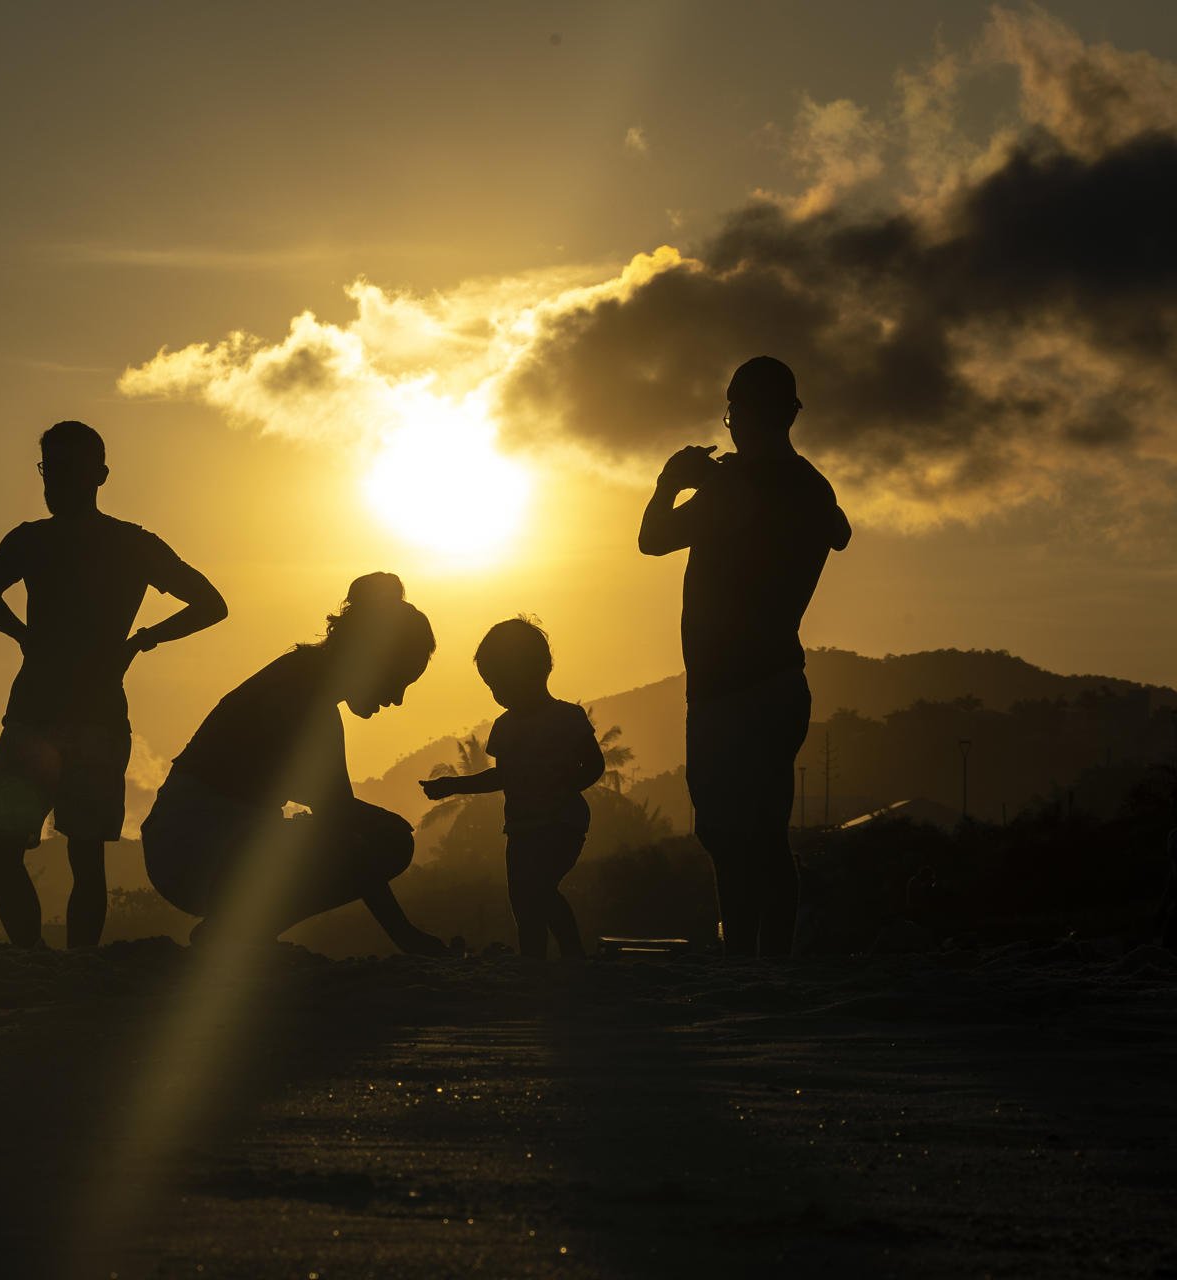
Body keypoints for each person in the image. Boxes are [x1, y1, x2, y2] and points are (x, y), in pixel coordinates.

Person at [0, 421, 227, 948]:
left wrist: (141, 640)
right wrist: (135, 641)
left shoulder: (70, 542)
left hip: (60, 716)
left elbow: (212, 604)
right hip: (68, 716)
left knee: (49, 850)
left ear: (99, 475)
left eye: (66, 470)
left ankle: (51, 965)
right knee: (54, 850)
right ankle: (47, 963)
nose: (55, 481)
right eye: (49, 469)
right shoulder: (90, 543)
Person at [638, 356, 851, 957]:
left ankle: (744, 963)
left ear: (738, 414)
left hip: (728, 687)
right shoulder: (810, 485)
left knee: (726, 833)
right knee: (765, 833)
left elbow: (651, 540)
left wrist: (670, 482)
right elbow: (839, 531)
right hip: (782, 678)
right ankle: (770, 961)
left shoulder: (732, 487)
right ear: (790, 414)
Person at [143, 573, 454, 955]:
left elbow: (335, 817)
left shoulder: (305, 680)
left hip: (204, 843)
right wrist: (405, 935)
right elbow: (342, 826)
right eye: (398, 681)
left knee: (376, 834)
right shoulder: (304, 700)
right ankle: (234, 932)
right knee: (389, 842)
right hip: (195, 849)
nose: (396, 699)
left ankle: (235, 930)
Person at [419, 618, 603, 959]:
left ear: (538, 671)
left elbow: (594, 766)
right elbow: (501, 777)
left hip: (562, 823)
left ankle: (572, 955)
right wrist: (453, 785)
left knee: (539, 889)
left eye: (502, 681)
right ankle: (534, 960)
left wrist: (561, 785)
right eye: (492, 685)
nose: (498, 693)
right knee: (522, 898)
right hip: (521, 828)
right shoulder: (504, 728)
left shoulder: (567, 717)